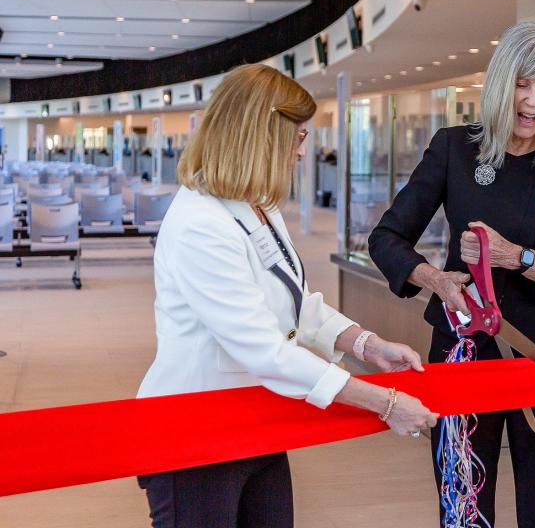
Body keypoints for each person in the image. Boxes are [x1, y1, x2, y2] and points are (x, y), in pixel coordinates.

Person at [137, 64, 438, 528]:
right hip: (196, 433)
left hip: (257, 420)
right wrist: (386, 403)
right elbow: (265, 350)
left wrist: (366, 345)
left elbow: (296, 302)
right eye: (298, 138)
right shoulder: (201, 223)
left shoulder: (257, 205)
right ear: (262, 136)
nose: (303, 153)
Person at [368, 21, 535, 527]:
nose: (534, 102)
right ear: (501, 84)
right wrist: (436, 279)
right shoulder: (454, 148)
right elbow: (386, 239)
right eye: (524, 84)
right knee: (464, 500)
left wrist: (515, 256)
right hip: (462, 352)